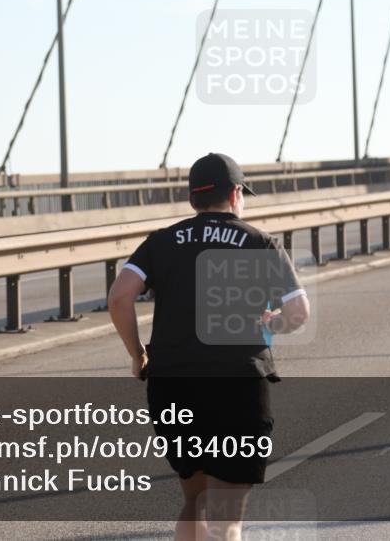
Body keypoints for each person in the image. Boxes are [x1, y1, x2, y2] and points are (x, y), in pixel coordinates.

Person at [107, 152, 310, 541]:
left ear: (192, 200)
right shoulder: (260, 242)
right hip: (238, 382)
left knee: (196, 500)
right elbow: (298, 311)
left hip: (172, 383)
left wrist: (138, 355)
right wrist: (275, 322)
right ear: (235, 194)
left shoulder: (162, 241)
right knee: (225, 515)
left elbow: (120, 297)